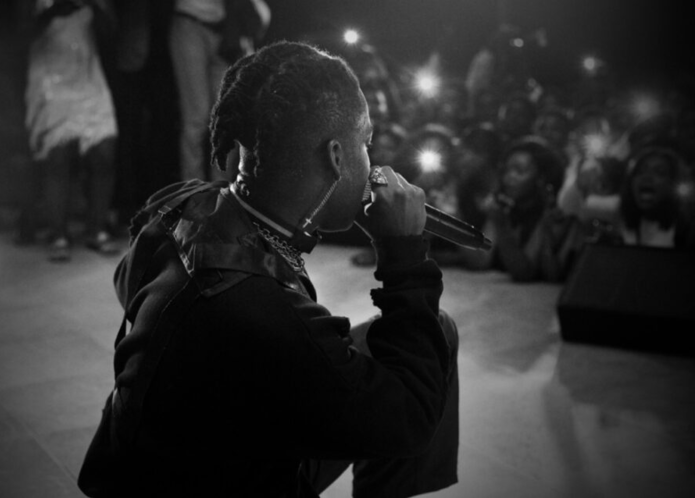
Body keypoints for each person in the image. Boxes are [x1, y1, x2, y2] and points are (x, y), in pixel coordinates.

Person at [78, 41, 459, 498]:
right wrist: (404, 255)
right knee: (414, 383)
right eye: (366, 143)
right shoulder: (262, 312)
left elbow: (129, 283)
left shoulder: (182, 204)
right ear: (337, 157)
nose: (373, 163)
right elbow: (413, 420)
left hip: (194, 451)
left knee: (437, 328)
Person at [25, 0, 120, 261]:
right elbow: (19, 31)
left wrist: (96, 5)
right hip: (50, 76)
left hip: (88, 73)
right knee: (58, 157)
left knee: (104, 153)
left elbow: (110, 32)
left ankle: (97, 230)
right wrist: (54, 9)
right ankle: (58, 234)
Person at [169, 0, 270, 182]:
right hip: (190, 23)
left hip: (226, 33)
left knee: (227, 117)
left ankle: (220, 189)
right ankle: (192, 191)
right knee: (196, 120)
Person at [461, 136, 581, 282]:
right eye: (506, 170)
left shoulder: (552, 216)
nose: (509, 177)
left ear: (542, 177)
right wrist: (453, 216)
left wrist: (502, 226)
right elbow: (481, 261)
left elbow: (524, 272)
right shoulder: (503, 209)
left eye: (519, 171)